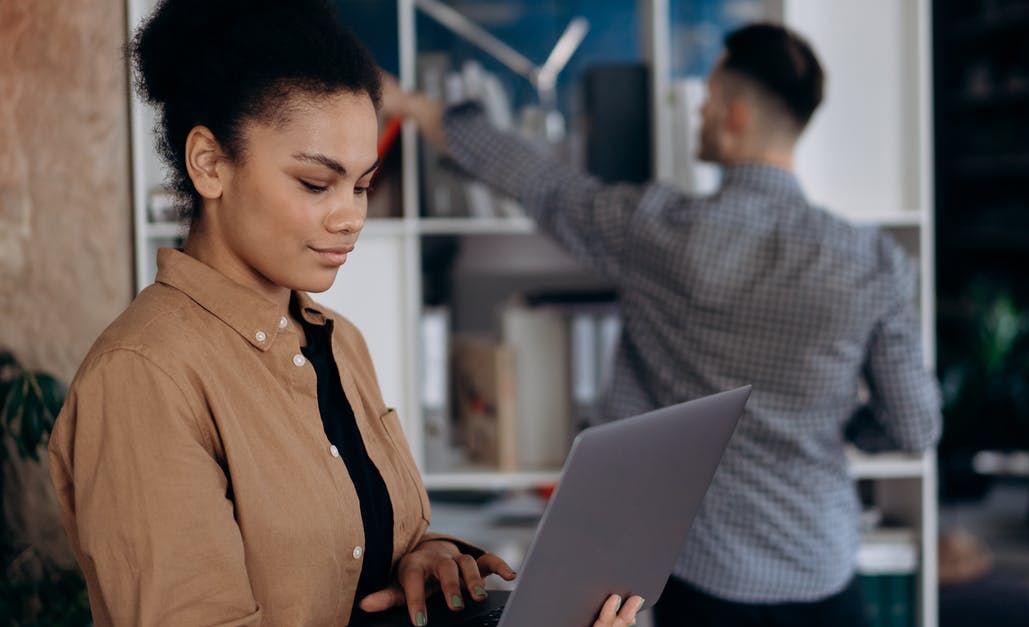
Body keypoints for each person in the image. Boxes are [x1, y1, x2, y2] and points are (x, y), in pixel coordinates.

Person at [46, 1, 643, 626]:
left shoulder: (338, 343)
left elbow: (349, 552)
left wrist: (422, 559)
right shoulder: (145, 378)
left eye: (361, 185)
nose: (351, 216)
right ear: (210, 164)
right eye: (314, 183)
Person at [387, 21, 941, 627]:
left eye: (706, 99)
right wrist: (846, 426)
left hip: (707, 575)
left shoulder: (658, 233)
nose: (699, 112)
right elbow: (914, 426)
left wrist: (414, 105)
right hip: (820, 566)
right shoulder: (874, 262)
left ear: (732, 115)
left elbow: (538, 180)